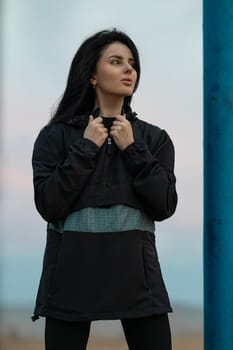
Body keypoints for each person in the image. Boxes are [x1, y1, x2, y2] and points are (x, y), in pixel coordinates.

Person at [31, 28, 178, 350]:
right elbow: (49, 205)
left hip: (139, 283)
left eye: (132, 63)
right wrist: (85, 148)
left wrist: (133, 150)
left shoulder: (154, 139)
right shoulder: (55, 138)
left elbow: (165, 206)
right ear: (92, 75)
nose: (129, 69)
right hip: (69, 281)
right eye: (116, 61)